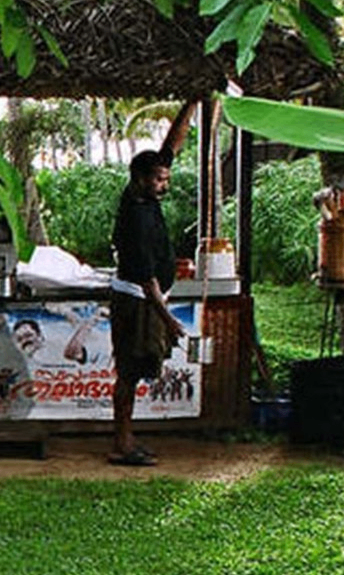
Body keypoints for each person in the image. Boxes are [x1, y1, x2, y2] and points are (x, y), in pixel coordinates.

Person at [107, 104, 193, 466]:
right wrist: (169, 318)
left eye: (166, 179)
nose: (164, 185)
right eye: (158, 180)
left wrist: (192, 104)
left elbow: (171, 145)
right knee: (129, 370)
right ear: (139, 178)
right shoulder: (136, 215)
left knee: (137, 369)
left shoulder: (144, 194)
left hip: (148, 299)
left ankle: (126, 438)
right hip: (138, 303)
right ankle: (123, 444)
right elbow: (147, 281)